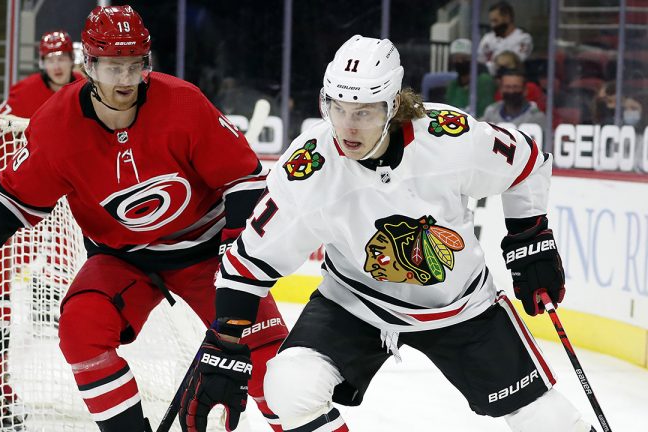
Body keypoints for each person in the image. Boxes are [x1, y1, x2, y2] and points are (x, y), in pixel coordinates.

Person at [180, 35, 596, 432]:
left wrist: (529, 235)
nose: (347, 126)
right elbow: (249, 260)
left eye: (363, 112)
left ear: (394, 105)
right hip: (355, 304)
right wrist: (226, 341)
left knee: (547, 421)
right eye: (337, 108)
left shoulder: (449, 139)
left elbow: (528, 162)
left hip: (460, 307)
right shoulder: (310, 168)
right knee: (289, 385)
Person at [0, 5, 288, 432]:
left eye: (135, 65)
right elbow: (13, 198)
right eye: (113, 66)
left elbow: (244, 180)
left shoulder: (184, 102)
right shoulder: (57, 123)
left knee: (276, 370)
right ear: (87, 65)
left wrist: (234, 263)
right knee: (81, 328)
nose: (126, 80)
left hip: (207, 254)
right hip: (122, 260)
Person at [0, 30, 84, 117]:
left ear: (71, 59)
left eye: (61, 59)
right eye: (50, 61)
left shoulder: (84, 87)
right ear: (43, 64)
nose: (56, 67)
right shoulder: (25, 91)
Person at [477, 2, 533, 75]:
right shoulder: (487, 38)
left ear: (507, 18)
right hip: (489, 78)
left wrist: (490, 65)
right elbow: (479, 62)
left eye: (495, 21)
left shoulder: (523, 38)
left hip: (511, 78)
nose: (492, 25)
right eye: (491, 21)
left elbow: (511, 63)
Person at [444, 38, 496, 117]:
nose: (459, 62)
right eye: (455, 58)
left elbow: (485, 114)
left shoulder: (484, 81)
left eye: (464, 58)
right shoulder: (453, 85)